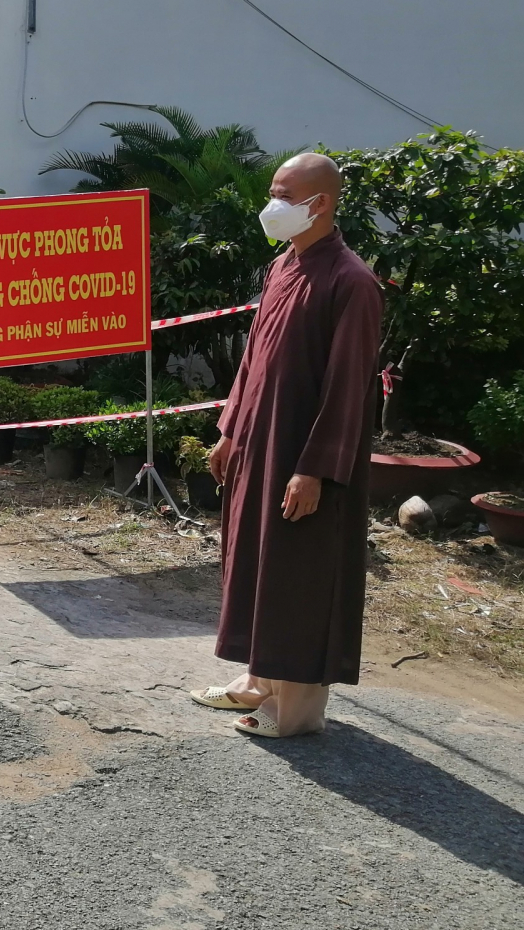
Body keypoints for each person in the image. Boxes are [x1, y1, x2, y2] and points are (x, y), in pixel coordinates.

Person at [189, 152, 383, 738]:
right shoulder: (283, 266)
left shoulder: (351, 282)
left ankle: (293, 712)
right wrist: (229, 429)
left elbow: (349, 390)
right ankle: (258, 681)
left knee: (300, 572)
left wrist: (315, 471)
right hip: (260, 443)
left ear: (319, 203)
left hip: (303, 455)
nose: (270, 205)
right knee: (256, 563)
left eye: (282, 192)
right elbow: (254, 360)